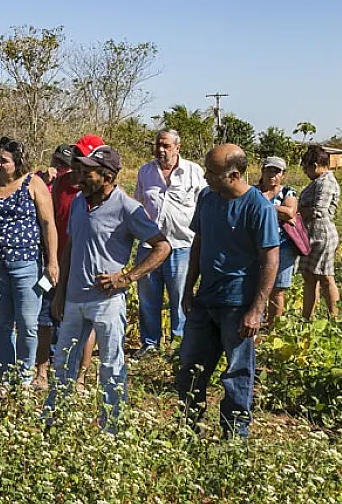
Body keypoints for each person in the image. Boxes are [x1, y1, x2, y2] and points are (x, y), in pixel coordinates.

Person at [44, 146, 171, 434]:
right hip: (75, 299)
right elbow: (71, 247)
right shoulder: (78, 202)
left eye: (86, 172)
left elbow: (162, 247)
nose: (79, 177)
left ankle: (111, 428)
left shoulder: (127, 208)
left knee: (111, 366)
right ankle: (52, 422)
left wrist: (126, 278)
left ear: (107, 176)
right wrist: (60, 293)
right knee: (63, 363)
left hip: (107, 301)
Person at [177, 144, 279, 439]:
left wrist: (256, 309)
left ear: (233, 174)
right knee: (190, 368)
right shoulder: (207, 198)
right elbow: (199, 243)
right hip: (205, 299)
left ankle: (234, 437)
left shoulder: (257, 206)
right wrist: (188, 288)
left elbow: (270, 259)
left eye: (212, 172)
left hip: (238, 303)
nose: (205, 176)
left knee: (236, 374)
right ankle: (189, 428)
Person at [0, 136, 58, 385]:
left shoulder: (33, 183)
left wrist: (52, 263)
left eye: (3, 160)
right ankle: (6, 377)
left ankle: (25, 377)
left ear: (17, 163)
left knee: (28, 324)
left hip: (27, 266)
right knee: (2, 323)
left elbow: (49, 224)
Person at [33, 135, 103, 387]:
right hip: (54, 262)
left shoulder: (100, 192)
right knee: (45, 318)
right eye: (77, 158)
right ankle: (41, 373)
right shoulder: (59, 184)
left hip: (84, 268)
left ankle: (79, 378)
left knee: (85, 324)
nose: (78, 164)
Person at [131, 129, 206, 358]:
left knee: (180, 297)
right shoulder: (146, 171)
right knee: (147, 298)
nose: (161, 150)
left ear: (177, 147)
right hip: (150, 247)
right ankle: (150, 343)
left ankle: (179, 345)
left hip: (181, 246)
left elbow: (203, 204)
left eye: (166, 145)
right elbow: (138, 203)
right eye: (158, 145)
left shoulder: (193, 172)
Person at [298, 145, 341, 319]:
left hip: (322, 233)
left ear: (315, 165)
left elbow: (319, 210)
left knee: (325, 276)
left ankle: (334, 317)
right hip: (311, 233)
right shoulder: (317, 182)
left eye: (306, 168)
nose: (306, 172)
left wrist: (296, 210)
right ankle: (306, 318)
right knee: (309, 276)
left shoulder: (326, 181)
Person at [255, 156, 298, 325]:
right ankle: (256, 322)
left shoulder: (288, 192)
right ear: (262, 171)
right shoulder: (253, 191)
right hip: (256, 246)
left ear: (283, 174)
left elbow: (290, 212)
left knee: (277, 289)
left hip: (283, 245)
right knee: (256, 287)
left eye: (277, 171)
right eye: (269, 170)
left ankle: (273, 327)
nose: (272, 174)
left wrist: (264, 208)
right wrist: (278, 211)